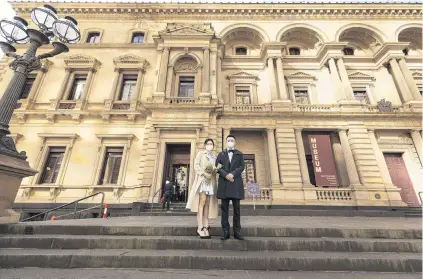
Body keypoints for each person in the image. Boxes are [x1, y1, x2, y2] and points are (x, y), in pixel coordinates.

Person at [186, 139, 219, 239]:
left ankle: (206, 226)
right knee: (202, 202)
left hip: (211, 182)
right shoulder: (200, 154)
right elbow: (196, 165)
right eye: (208, 144)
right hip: (203, 180)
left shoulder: (214, 156)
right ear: (205, 145)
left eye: (211, 144)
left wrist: (216, 169)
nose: (210, 145)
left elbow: (215, 168)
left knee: (208, 204)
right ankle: (200, 227)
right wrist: (204, 173)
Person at [215, 135, 245, 241]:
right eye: (228, 140)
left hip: (236, 184)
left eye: (232, 140)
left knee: (237, 210)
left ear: (235, 142)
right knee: (224, 210)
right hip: (224, 184)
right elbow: (217, 167)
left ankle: (237, 232)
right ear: (226, 142)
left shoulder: (239, 154)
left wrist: (232, 174)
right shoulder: (221, 154)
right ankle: (225, 232)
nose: (230, 142)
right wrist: (226, 175)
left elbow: (241, 167)